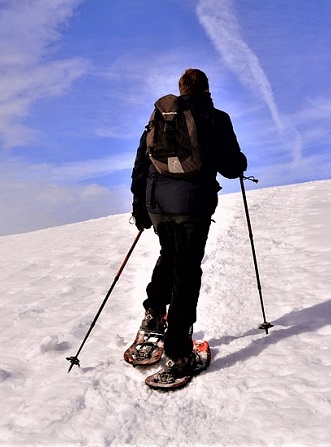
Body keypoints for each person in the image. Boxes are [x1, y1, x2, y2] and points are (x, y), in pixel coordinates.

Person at [130, 68, 247, 379]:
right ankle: (179, 352)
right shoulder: (216, 118)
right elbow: (232, 167)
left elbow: (141, 163)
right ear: (207, 89)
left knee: (168, 254)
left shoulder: (160, 117)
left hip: (157, 204)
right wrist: (241, 161)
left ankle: (154, 314)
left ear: (181, 89)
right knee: (187, 269)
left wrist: (138, 205)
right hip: (192, 206)